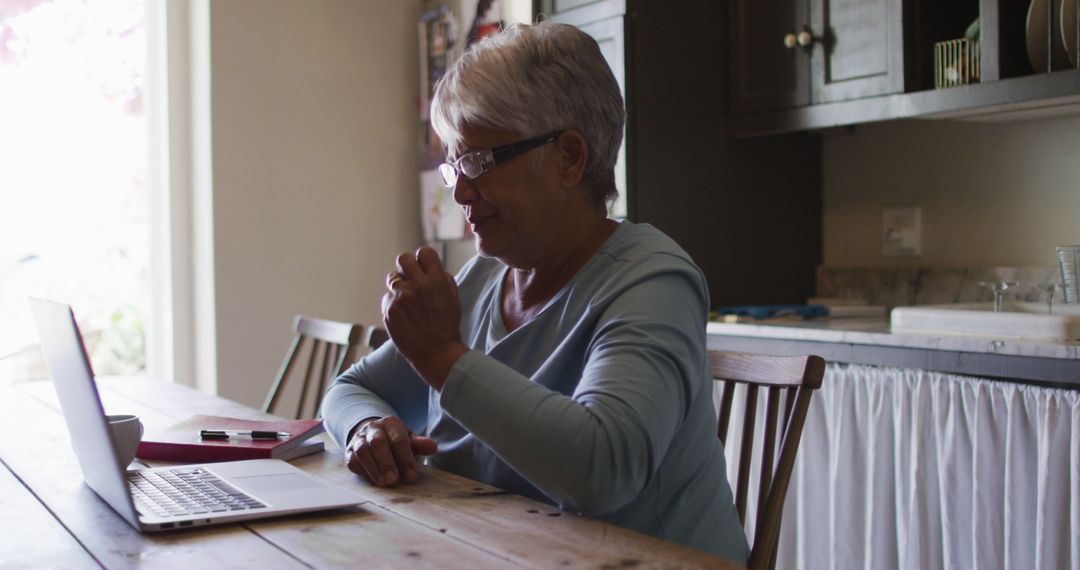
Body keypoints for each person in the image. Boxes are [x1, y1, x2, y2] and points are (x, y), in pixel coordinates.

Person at [321, 21, 749, 563]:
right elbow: (348, 390)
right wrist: (367, 428)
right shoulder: (481, 280)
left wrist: (441, 357)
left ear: (569, 157)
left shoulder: (651, 280)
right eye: (455, 164)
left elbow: (604, 469)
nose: (459, 191)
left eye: (478, 161)